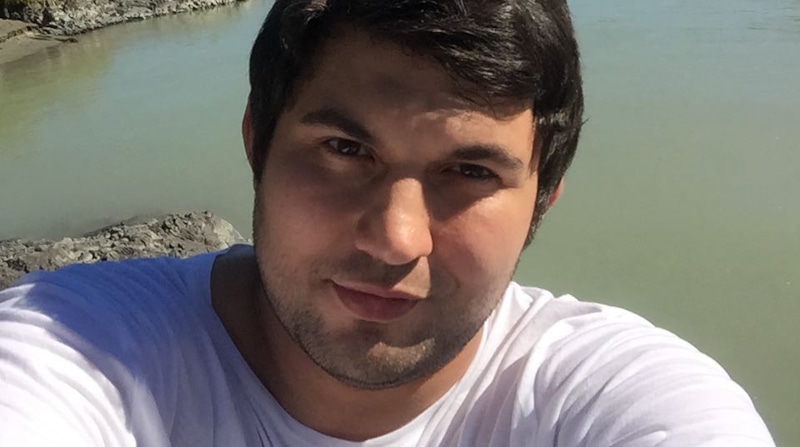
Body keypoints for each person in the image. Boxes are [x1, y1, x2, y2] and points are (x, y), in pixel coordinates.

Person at [0, 0, 776, 446]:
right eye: (345, 149)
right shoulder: (81, 346)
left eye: (470, 172)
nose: (396, 237)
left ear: (542, 199)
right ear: (257, 143)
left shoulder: (607, 395)